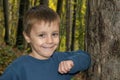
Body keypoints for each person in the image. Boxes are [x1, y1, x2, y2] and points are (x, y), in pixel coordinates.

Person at [0, 5, 91, 80]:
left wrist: (72, 63)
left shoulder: (60, 60)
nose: (50, 41)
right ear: (27, 37)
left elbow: (85, 57)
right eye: (42, 35)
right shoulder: (18, 68)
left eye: (54, 34)